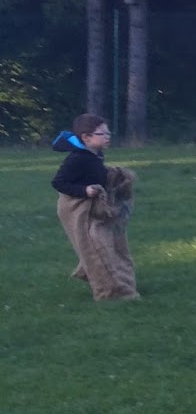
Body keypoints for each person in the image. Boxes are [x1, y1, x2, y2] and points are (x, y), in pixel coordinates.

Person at [51, 114, 139, 300]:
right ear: (86, 137)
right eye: (102, 133)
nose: (108, 136)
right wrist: (84, 190)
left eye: (108, 132)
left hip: (95, 206)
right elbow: (58, 182)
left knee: (110, 244)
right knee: (94, 245)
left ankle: (106, 277)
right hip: (76, 208)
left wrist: (112, 176)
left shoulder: (97, 154)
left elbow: (95, 173)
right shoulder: (77, 159)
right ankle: (109, 292)